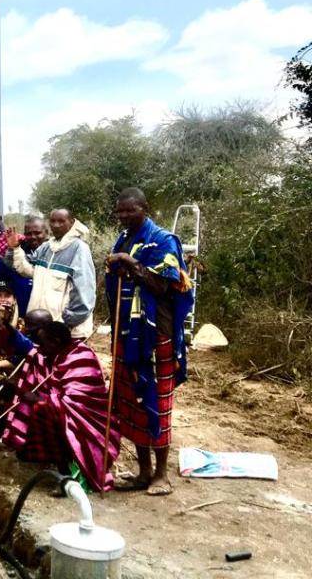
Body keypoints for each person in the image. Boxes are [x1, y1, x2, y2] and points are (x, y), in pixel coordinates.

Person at [106, 187, 194, 497]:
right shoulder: (123, 238)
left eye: (130, 210)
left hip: (155, 336)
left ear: (146, 208)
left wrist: (127, 262)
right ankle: (143, 471)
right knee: (132, 403)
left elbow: (162, 285)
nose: (124, 216)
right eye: (120, 211)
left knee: (157, 402)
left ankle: (161, 474)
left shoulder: (163, 240)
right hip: (126, 334)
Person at [0, 309, 120, 493]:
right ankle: (59, 466)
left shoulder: (81, 357)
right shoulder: (50, 354)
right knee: (39, 408)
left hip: (88, 426)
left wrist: (38, 398)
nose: (39, 347)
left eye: (43, 343)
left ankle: (69, 473)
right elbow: (12, 337)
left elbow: (75, 402)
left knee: (41, 408)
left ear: (55, 342)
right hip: (64, 419)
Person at [7, 208, 96, 339]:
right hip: (43, 329)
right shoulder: (46, 247)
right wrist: (15, 248)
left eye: (61, 221)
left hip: (67, 331)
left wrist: (68, 322)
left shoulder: (79, 248)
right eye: (53, 221)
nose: (56, 225)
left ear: (71, 222)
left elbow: (85, 291)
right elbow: (28, 270)